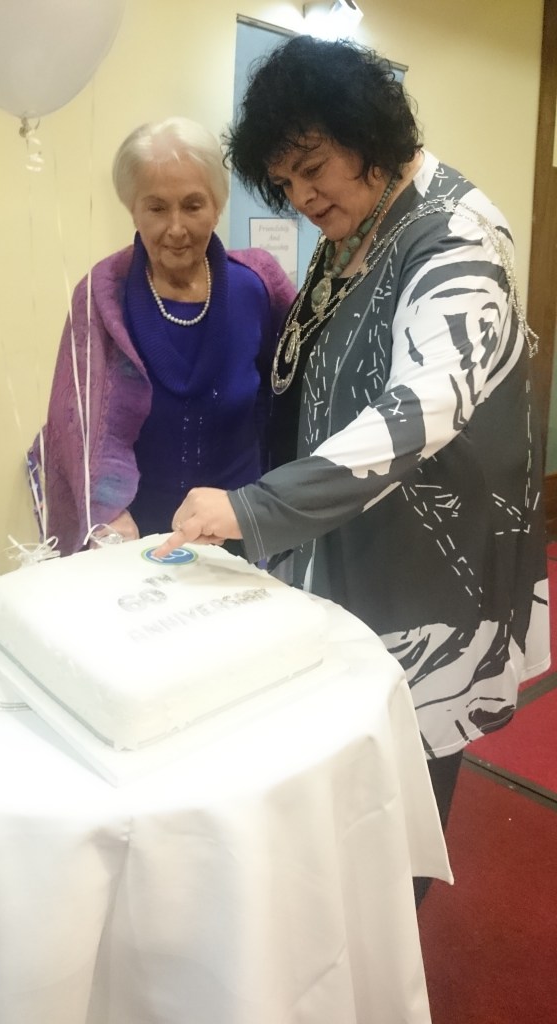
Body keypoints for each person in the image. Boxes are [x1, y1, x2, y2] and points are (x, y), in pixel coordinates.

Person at [154, 37, 550, 901]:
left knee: (397, 818)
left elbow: (424, 407)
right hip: (351, 550)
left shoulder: (454, 231)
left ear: (368, 130)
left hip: (427, 579)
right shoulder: (363, 225)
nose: (302, 198)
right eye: (284, 185)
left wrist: (259, 508)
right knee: (347, 794)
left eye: (313, 167)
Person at [29, 117, 296, 554]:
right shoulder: (102, 297)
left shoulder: (258, 287)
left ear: (217, 204)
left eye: (193, 205)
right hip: (135, 539)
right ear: (132, 208)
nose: (176, 228)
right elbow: (76, 425)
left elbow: (291, 395)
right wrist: (106, 514)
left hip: (238, 533)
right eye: (156, 208)